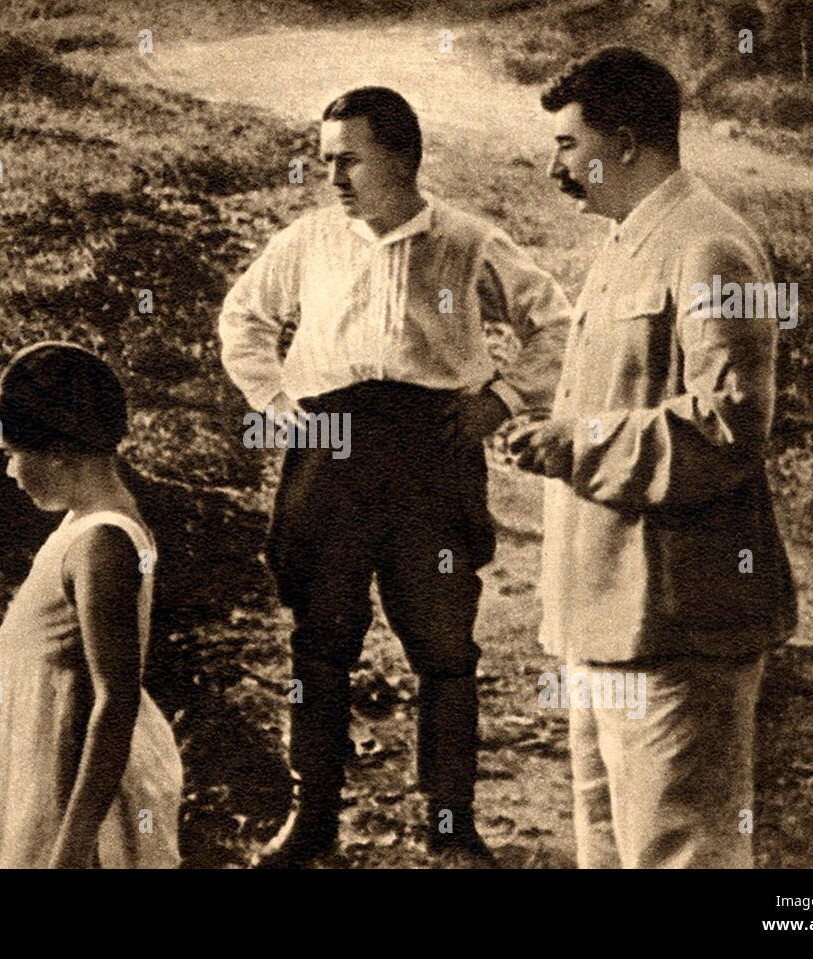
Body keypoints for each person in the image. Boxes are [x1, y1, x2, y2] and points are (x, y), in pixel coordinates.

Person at [219, 86, 571, 868]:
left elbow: (557, 323)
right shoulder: (309, 241)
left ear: (403, 158)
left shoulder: (467, 242)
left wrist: (504, 399)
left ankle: (451, 822)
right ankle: (311, 818)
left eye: (349, 159)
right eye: (325, 161)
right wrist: (278, 403)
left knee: (445, 643)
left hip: (431, 458)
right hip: (331, 454)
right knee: (319, 642)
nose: (333, 176)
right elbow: (241, 319)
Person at [512, 46, 797, 868]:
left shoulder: (710, 247)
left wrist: (578, 441)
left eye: (568, 146)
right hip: (609, 616)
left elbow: (730, 428)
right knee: (608, 847)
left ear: (627, 142)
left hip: (679, 625)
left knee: (682, 854)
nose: (555, 169)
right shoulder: (629, 242)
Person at [0, 342, 182, 868]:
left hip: (66, 774)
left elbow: (114, 700)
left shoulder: (104, 544)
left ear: (56, 450)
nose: (10, 472)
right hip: (36, 760)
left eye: (13, 455)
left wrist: (74, 844)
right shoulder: (85, 524)